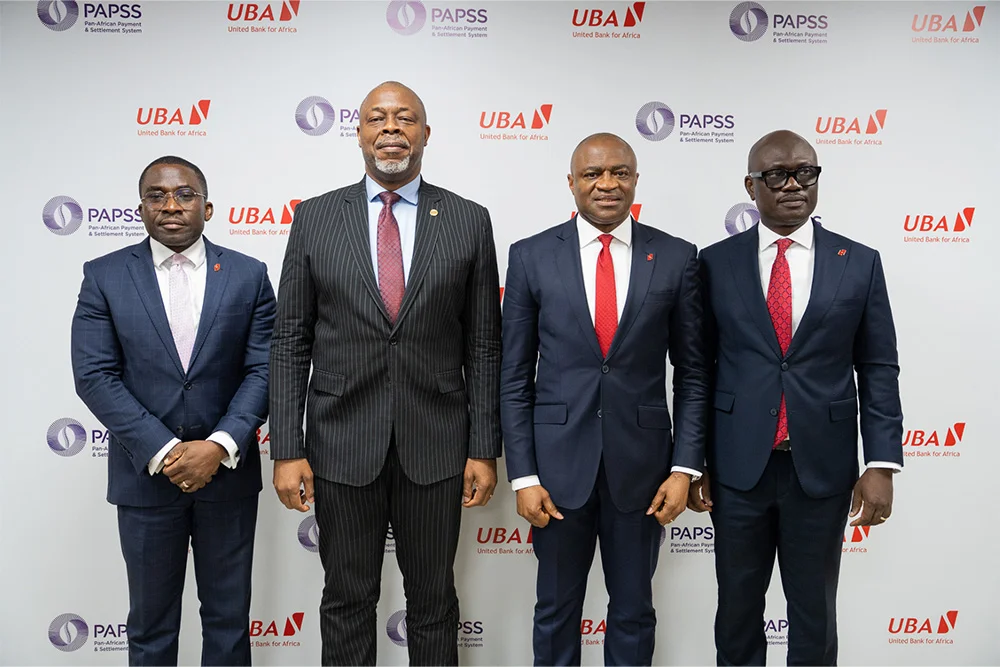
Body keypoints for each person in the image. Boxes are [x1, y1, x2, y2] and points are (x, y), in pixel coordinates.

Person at [269, 81, 502, 666]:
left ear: (426, 134)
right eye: (378, 118)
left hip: (438, 446)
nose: (391, 128)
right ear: (360, 132)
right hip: (341, 443)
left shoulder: (469, 221)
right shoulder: (315, 218)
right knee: (347, 598)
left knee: (433, 600)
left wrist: (483, 447)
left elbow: (483, 345)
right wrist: (287, 448)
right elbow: (291, 340)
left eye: (406, 118)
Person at [691, 130, 903, 665]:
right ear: (750, 186)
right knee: (737, 610)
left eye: (805, 173)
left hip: (823, 469)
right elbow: (698, 370)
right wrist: (694, 463)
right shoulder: (714, 263)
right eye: (776, 175)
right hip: (739, 469)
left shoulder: (859, 262)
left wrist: (881, 463)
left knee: (814, 612)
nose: (792, 185)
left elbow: (877, 368)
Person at [500, 133, 710, 666]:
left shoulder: (678, 257)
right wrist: (523, 476)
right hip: (555, 473)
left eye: (619, 172)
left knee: (635, 611)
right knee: (554, 611)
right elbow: (514, 376)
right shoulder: (530, 257)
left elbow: (692, 374)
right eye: (593, 174)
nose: (607, 184)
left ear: (636, 180)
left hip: (642, 472)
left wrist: (684, 468)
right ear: (571, 183)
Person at [71, 156, 275, 665]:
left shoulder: (249, 276)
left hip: (227, 477)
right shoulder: (104, 276)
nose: (170, 205)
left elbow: (266, 369)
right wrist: (165, 451)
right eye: (156, 195)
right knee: (150, 627)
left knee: (229, 623)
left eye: (184, 194)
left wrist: (219, 446)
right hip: (145, 482)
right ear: (140, 208)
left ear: (207, 206)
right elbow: (94, 375)